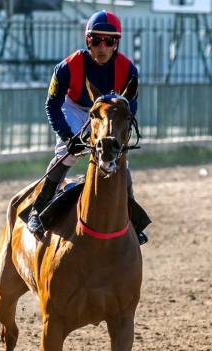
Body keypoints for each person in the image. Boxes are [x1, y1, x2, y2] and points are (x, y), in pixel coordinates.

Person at [27, 11, 149, 245]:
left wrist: (118, 142)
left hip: (106, 112)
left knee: (120, 160)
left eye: (109, 41)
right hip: (75, 108)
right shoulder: (67, 67)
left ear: (117, 43)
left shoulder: (129, 70)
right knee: (68, 154)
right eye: (96, 41)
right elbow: (52, 104)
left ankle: (134, 220)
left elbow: (128, 112)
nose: (102, 47)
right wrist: (67, 136)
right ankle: (38, 211)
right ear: (87, 41)